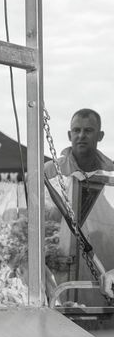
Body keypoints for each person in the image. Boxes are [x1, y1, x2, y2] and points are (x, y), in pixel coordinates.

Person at [43, 108, 114, 300]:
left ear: (100, 135)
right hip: (60, 279)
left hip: (103, 278)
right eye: (76, 130)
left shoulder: (111, 174)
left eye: (88, 130)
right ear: (69, 135)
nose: (81, 135)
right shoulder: (49, 172)